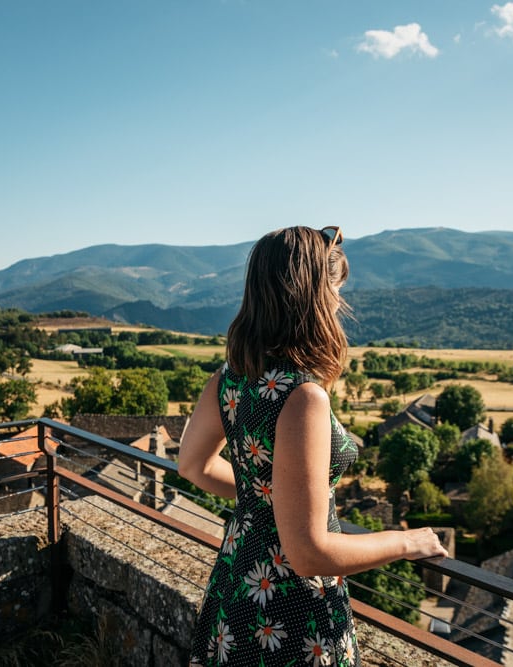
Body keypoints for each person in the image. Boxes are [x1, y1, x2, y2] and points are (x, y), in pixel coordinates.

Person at [179, 226, 448, 666]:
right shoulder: (302, 396)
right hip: (288, 612)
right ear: (311, 298)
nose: (339, 305)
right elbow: (308, 554)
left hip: (237, 583)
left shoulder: (229, 377)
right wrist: (407, 543)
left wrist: (272, 501)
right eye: (334, 292)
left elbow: (192, 466)